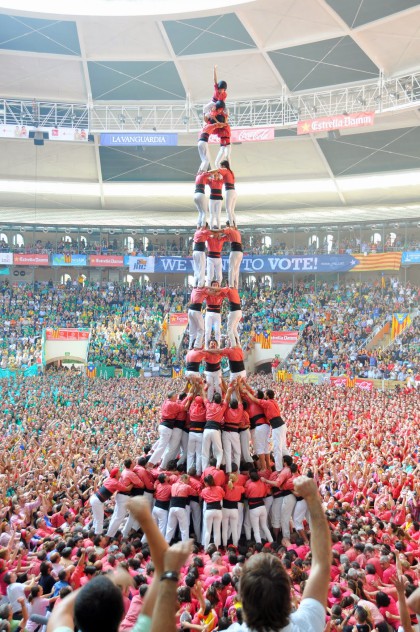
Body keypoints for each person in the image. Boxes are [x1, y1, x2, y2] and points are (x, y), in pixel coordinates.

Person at [224, 476, 332, 632]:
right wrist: (312, 498)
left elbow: (321, 564)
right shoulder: (307, 624)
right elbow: (322, 562)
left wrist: (173, 573)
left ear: (241, 601)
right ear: (290, 597)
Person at [243, 386, 287, 472]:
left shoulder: (265, 403)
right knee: (271, 447)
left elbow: (254, 398)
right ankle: (269, 467)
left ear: (267, 396)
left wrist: (247, 392)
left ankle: (269, 468)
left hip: (274, 427)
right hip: (274, 426)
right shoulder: (272, 402)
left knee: (266, 448)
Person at [106, 459, 144, 537]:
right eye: (133, 461)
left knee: (116, 516)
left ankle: (110, 533)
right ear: (130, 464)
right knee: (119, 517)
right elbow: (141, 485)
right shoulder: (130, 473)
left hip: (120, 495)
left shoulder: (124, 471)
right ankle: (109, 535)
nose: (135, 462)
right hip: (123, 496)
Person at [148, 392, 187, 468]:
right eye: (175, 396)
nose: (177, 397)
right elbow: (184, 407)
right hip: (167, 428)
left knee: (164, 445)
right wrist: (189, 397)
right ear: (172, 397)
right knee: (163, 447)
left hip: (163, 426)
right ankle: (151, 463)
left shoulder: (166, 401)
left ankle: (153, 453)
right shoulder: (173, 404)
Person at [89, 467, 132, 535]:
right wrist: (132, 482)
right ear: (116, 474)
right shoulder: (115, 482)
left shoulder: (111, 479)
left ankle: (93, 533)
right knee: (99, 520)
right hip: (97, 501)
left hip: (95, 499)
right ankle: (98, 536)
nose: (120, 472)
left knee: (97, 519)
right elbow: (127, 489)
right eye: (119, 471)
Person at [201, 383, 233, 470]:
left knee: (205, 452)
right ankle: (218, 466)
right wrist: (228, 391)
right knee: (219, 451)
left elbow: (204, 396)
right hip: (215, 430)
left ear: (213, 400)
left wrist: (203, 387)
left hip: (207, 430)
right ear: (220, 400)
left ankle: (204, 471)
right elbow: (227, 398)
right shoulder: (222, 407)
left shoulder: (208, 405)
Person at [201, 475, 224, 550]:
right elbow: (223, 495)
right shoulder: (219, 488)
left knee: (208, 531)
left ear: (206, 482)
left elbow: (202, 497)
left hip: (209, 510)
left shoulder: (204, 490)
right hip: (218, 510)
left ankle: (205, 549)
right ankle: (216, 549)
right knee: (217, 531)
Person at [204, 281, 225, 347]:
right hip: (209, 313)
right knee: (207, 331)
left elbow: (225, 290)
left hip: (217, 313)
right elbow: (203, 289)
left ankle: (217, 347)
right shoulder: (207, 293)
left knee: (217, 331)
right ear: (211, 286)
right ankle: (207, 347)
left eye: (216, 285)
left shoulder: (221, 293)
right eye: (213, 285)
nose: (215, 286)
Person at [222, 225, 243, 289]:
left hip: (234, 251)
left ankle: (231, 285)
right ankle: (236, 285)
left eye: (226, 226)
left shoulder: (230, 230)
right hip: (240, 252)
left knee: (231, 268)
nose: (226, 227)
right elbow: (227, 237)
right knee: (236, 269)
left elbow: (222, 231)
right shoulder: (237, 232)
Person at [218, 160, 237, 227]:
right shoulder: (231, 172)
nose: (221, 167)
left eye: (221, 166)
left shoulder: (225, 170)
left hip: (229, 191)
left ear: (224, 166)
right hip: (234, 191)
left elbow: (218, 171)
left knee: (228, 209)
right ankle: (235, 225)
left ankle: (231, 225)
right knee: (232, 210)